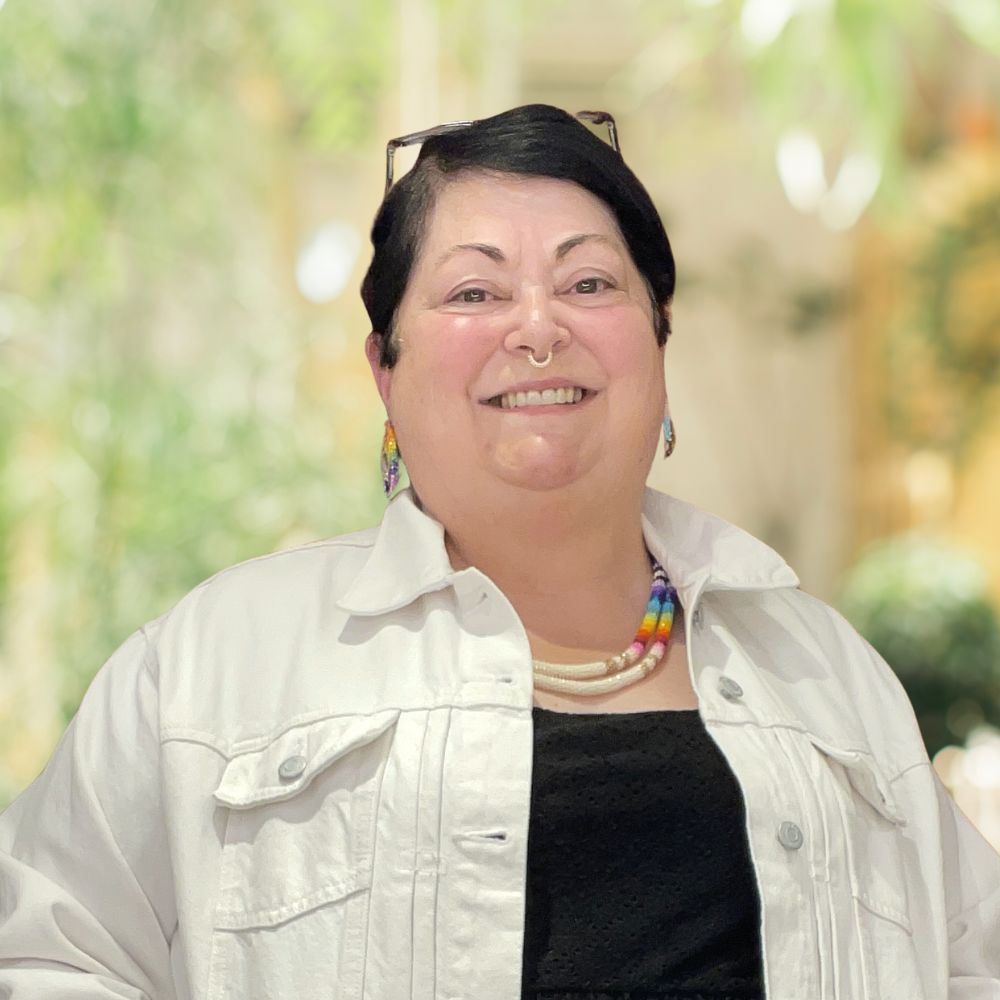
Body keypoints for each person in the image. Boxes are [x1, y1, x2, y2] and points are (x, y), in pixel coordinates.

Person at [0, 103, 998, 1000]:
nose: (537, 327)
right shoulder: (211, 665)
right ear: (384, 369)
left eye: (589, 282)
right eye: (474, 291)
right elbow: (45, 956)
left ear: (657, 340)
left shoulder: (824, 671)